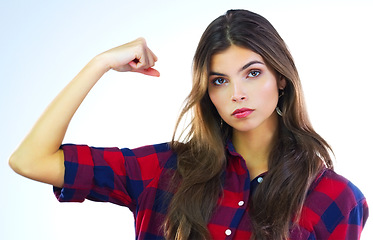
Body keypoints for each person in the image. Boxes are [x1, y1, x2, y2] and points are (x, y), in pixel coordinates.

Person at [9, 9, 368, 240]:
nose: (237, 94)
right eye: (220, 80)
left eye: (253, 74)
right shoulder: (162, 170)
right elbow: (30, 160)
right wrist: (100, 63)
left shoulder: (336, 199)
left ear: (282, 79)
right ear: (207, 91)